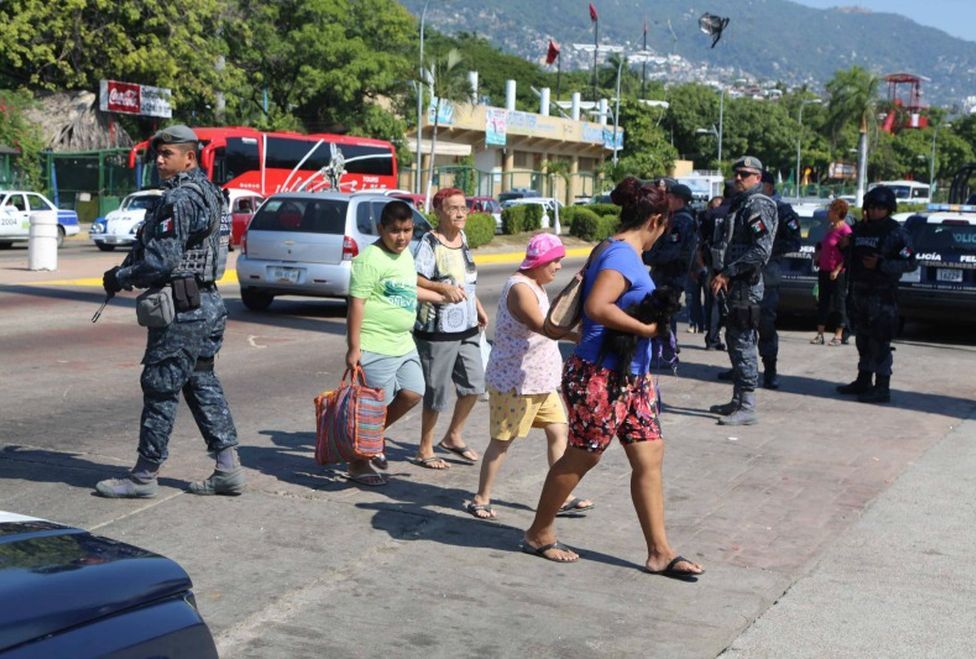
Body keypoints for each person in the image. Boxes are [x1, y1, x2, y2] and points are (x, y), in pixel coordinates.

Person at [521, 177, 704, 579]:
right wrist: (646, 330)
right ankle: (539, 532)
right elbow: (598, 307)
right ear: (656, 220)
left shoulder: (620, 250)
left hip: (632, 377)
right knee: (583, 455)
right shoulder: (622, 256)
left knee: (650, 454)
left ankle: (659, 551)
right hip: (600, 374)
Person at [96, 125, 242, 498]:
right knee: (200, 380)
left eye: (167, 154)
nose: (159, 160)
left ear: (189, 157)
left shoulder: (179, 200)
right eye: (157, 154)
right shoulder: (210, 192)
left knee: (160, 386)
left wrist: (120, 275)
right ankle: (228, 468)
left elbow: (160, 262)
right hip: (207, 302)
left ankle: (144, 476)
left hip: (183, 308)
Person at [465, 234, 593, 520]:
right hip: (517, 383)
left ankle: (562, 497)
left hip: (542, 381)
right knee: (502, 441)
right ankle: (481, 498)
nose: (559, 266)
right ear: (540, 262)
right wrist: (579, 336)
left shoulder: (536, 284)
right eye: (556, 261)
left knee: (559, 431)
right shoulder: (521, 288)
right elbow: (542, 326)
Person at [344, 201, 448, 486]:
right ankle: (358, 463)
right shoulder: (369, 259)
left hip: (403, 343)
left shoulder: (404, 256)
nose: (401, 237)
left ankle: (371, 439)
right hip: (375, 344)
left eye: (407, 230)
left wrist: (440, 295)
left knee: (414, 391)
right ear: (381, 229)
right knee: (374, 407)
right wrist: (354, 348)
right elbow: (357, 303)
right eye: (394, 231)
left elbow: (404, 287)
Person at [414, 187, 489, 469]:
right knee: (437, 391)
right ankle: (425, 448)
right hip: (438, 328)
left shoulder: (463, 238)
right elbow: (417, 278)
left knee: (474, 385)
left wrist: (478, 306)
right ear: (439, 212)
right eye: (453, 208)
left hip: (467, 326)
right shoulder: (429, 243)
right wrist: (442, 287)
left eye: (463, 208)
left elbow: (466, 280)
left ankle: (453, 436)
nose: (460, 213)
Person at [707, 156, 778, 426]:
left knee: (744, 342)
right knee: (735, 341)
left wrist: (727, 272)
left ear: (758, 178)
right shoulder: (741, 203)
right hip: (734, 285)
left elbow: (761, 251)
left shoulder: (759, 205)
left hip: (746, 284)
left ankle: (748, 405)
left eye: (745, 174)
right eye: (737, 173)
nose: (739, 177)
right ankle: (738, 399)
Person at [836, 186, 917, 404]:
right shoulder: (861, 230)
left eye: (879, 208)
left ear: (888, 209)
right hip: (859, 293)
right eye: (871, 207)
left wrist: (882, 264)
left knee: (880, 342)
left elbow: (910, 262)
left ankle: (882, 387)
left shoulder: (897, 233)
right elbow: (853, 256)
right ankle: (864, 380)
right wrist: (844, 247)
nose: (874, 211)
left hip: (883, 296)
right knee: (862, 339)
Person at [643, 183, 698, 367]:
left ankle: (667, 354)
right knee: (662, 313)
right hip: (667, 274)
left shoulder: (682, 221)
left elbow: (672, 252)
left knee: (664, 315)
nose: (667, 200)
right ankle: (666, 351)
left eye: (670, 197)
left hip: (671, 276)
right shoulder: (678, 218)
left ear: (679, 200)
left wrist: (649, 257)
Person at [756, 170, 801, 389]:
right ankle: (741, 368)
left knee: (765, 324)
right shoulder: (745, 205)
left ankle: (770, 370)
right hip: (743, 276)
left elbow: (794, 242)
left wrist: (766, 250)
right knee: (740, 323)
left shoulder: (782, 210)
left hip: (767, 276)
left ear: (769, 187)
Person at [812, 199, 853, 346]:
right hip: (824, 270)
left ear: (837, 213)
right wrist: (818, 255)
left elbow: (846, 254)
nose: (828, 213)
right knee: (822, 302)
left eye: (831, 210)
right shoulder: (830, 227)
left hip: (837, 273)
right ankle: (820, 334)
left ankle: (838, 335)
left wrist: (837, 269)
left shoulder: (845, 231)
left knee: (839, 303)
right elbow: (827, 247)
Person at [697, 189, 734, 351]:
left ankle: (712, 337)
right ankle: (718, 338)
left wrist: (701, 262)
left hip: (713, 263)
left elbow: (701, 239)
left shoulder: (712, 213)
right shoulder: (737, 212)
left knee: (714, 302)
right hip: (733, 265)